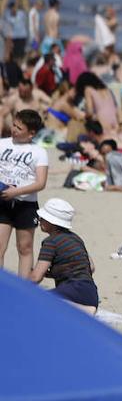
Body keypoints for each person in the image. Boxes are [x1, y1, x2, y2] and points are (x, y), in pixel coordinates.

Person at [0, 109, 48, 277]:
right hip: (2, 203)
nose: (13, 129)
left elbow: (41, 183)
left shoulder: (39, 152)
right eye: (13, 125)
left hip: (26, 204)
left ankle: (24, 289)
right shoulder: (2, 144)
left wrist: (16, 192)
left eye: (19, 128)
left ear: (31, 133)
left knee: (25, 247)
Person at [29, 197, 98, 313]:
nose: (39, 220)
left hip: (73, 291)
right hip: (91, 293)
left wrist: (21, 288)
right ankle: (82, 308)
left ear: (52, 222)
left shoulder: (50, 242)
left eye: (42, 218)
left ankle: (79, 308)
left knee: (36, 300)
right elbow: (91, 267)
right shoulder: (76, 238)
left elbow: (36, 278)